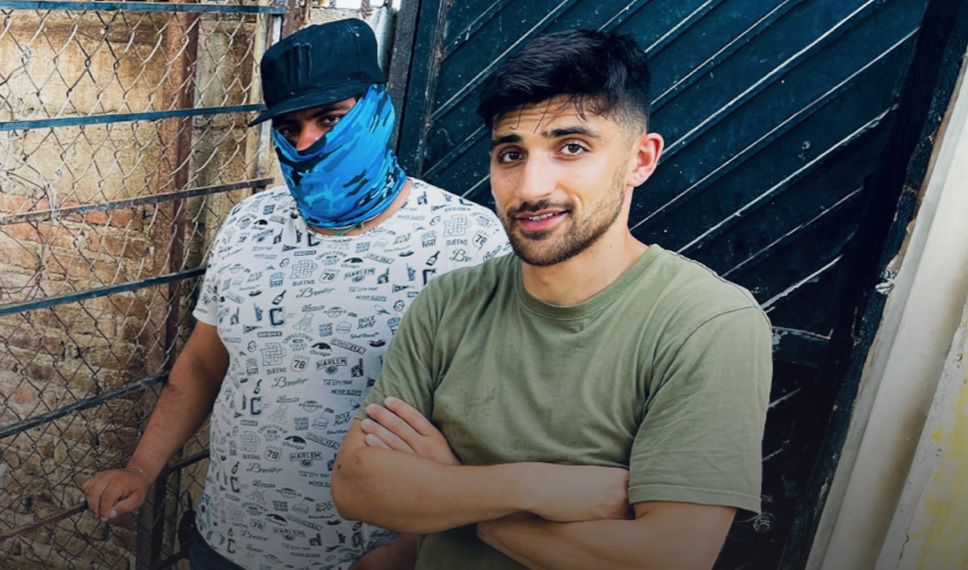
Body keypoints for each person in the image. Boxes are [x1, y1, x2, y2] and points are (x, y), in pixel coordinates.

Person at [331, 28, 773, 570]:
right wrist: (535, 486)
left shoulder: (706, 323)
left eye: (572, 147)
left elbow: (669, 559)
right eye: (511, 153)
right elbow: (357, 485)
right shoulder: (452, 300)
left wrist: (454, 491)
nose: (532, 186)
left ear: (641, 159)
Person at [82, 19, 509, 570]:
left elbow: (486, 424)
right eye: (290, 126)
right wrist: (141, 466)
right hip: (223, 542)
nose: (308, 144)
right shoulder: (248, 222)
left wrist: (400, 556)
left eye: (331, 119)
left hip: (365, 556)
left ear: (378, 111)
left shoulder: (468, 241)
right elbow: (205, 364)